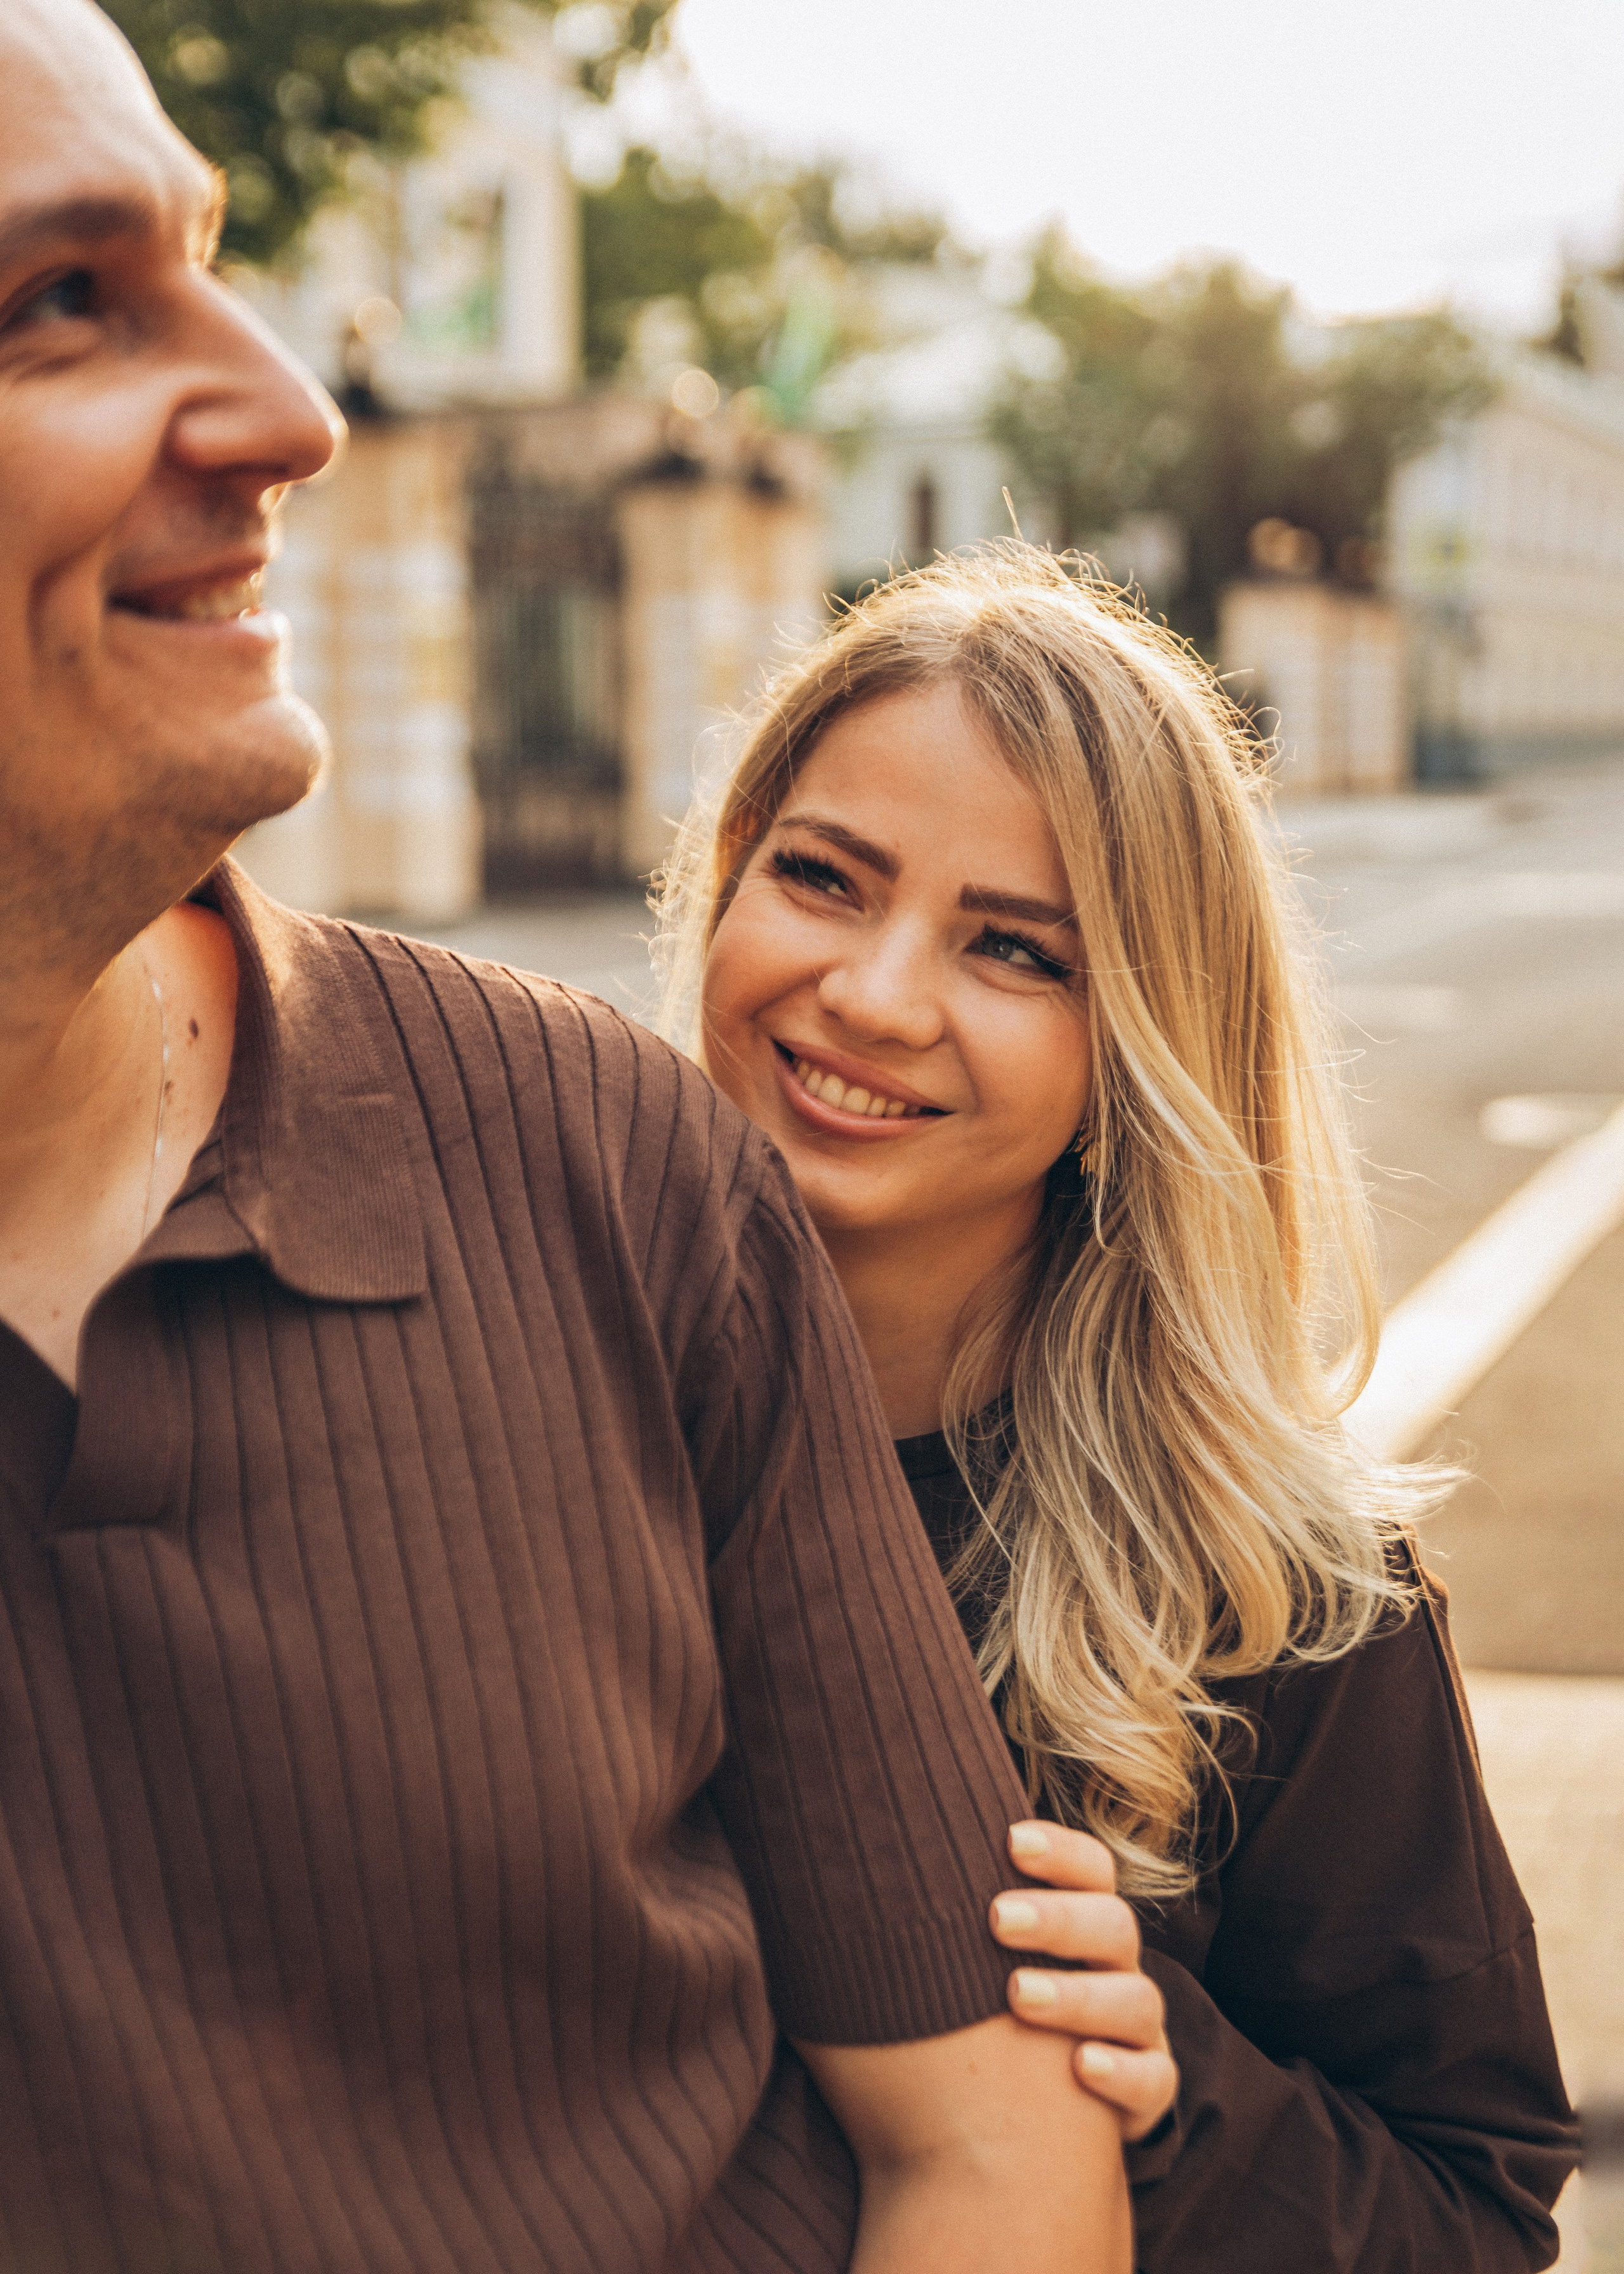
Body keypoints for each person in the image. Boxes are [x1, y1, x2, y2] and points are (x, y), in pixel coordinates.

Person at [0, 6, 1135, 2269]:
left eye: (1024, 948)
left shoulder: (620, 1175)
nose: (298, 409)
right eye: (55, 300)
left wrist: (1177, 2043)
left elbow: (1000, 2151)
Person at [658, 543, 1583, 2271]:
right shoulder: (507, 1399)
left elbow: (1478, 2214)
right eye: (825, 879)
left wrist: (1181, 2097)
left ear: (1140, 1044)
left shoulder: (1273, 1584)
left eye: (1015, 951)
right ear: (723, 885)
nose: (873, 993)